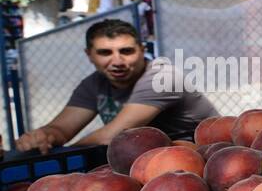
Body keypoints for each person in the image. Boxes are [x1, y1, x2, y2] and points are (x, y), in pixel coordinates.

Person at [12, 19, 217, 154]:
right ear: (89, 55)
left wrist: (62, 155)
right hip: (145, 160)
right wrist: (43, 137)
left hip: (196, 160)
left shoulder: (162, 77)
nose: (117, 61)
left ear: (142, 50)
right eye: (105, 53)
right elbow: (61, 128)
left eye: (126, 51)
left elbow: (112, 136)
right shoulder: (94, 84)